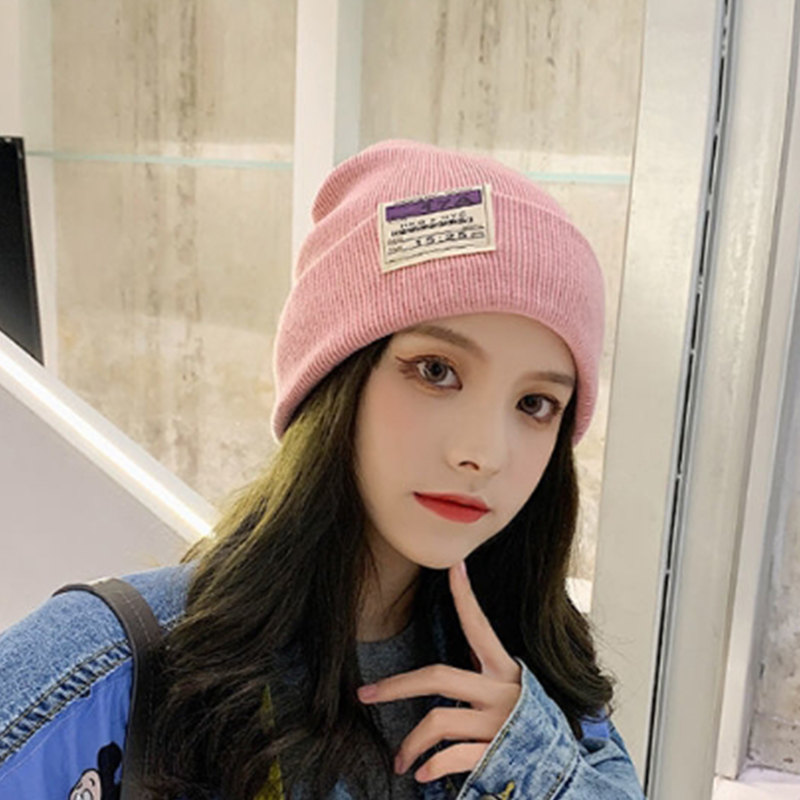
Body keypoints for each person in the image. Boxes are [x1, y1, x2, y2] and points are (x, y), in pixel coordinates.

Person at [0, 139, 645, 800]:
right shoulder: (112, 668)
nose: (483, 452)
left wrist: (537, 770)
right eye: (436, 371)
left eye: (535, 404)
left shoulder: (534, 679)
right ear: (334, 380)